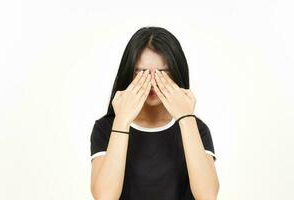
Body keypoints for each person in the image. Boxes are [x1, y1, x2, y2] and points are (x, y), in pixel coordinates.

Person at [90, 26, 219, 200]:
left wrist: (186, 118)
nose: (151, 81)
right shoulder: (106, 128)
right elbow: (105, 196)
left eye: (163, 72)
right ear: (129, 72)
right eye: (141, 72)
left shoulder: (196, 129)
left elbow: (207, 195)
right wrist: (122, 120)